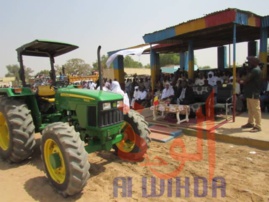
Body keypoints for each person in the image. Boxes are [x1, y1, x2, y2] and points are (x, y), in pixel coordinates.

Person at [241, 56, 262, 132]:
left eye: (250, 62)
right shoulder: (253, 70)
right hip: (249, 93)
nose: (249, 63)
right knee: (250, 109)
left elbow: (246, 79)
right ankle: (250, 122)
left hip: (253, 93)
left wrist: (241, 80)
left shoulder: (255, 70)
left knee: (256, 110)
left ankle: (258, 126)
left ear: (255, 62)